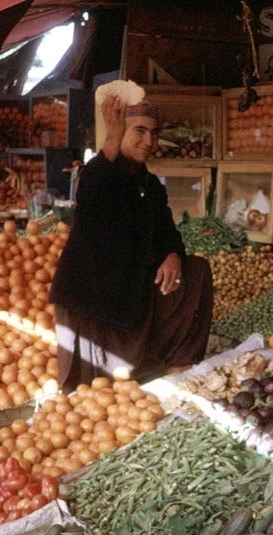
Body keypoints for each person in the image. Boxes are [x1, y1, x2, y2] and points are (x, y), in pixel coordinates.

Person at [49, 92, 214, 390]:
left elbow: (168, 233)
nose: (149, 141)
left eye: (154, 132)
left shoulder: (149, 184)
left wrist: (173, 255)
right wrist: (111, 137)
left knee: (197, 270)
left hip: (132, 290)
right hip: (94, 297)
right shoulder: (98, 175)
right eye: (139, 130)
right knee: (96, 391)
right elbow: (94, 188)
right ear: (121, 131)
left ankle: (175, 360)